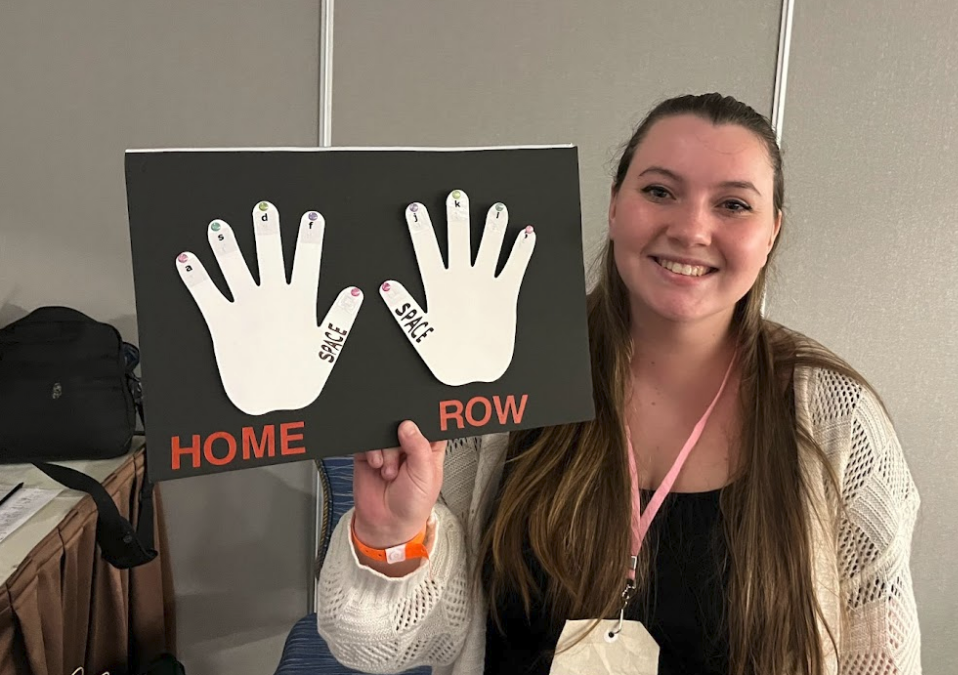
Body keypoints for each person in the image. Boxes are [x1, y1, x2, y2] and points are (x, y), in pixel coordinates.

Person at [316, 93, 922, 675]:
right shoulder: (502, 384)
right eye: (659, 191)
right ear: (613, 206)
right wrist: (390, 539)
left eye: (733, 205)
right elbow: (389, 648)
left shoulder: (837, 418)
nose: (690, 229)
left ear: (772, 233)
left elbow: (881, 658)